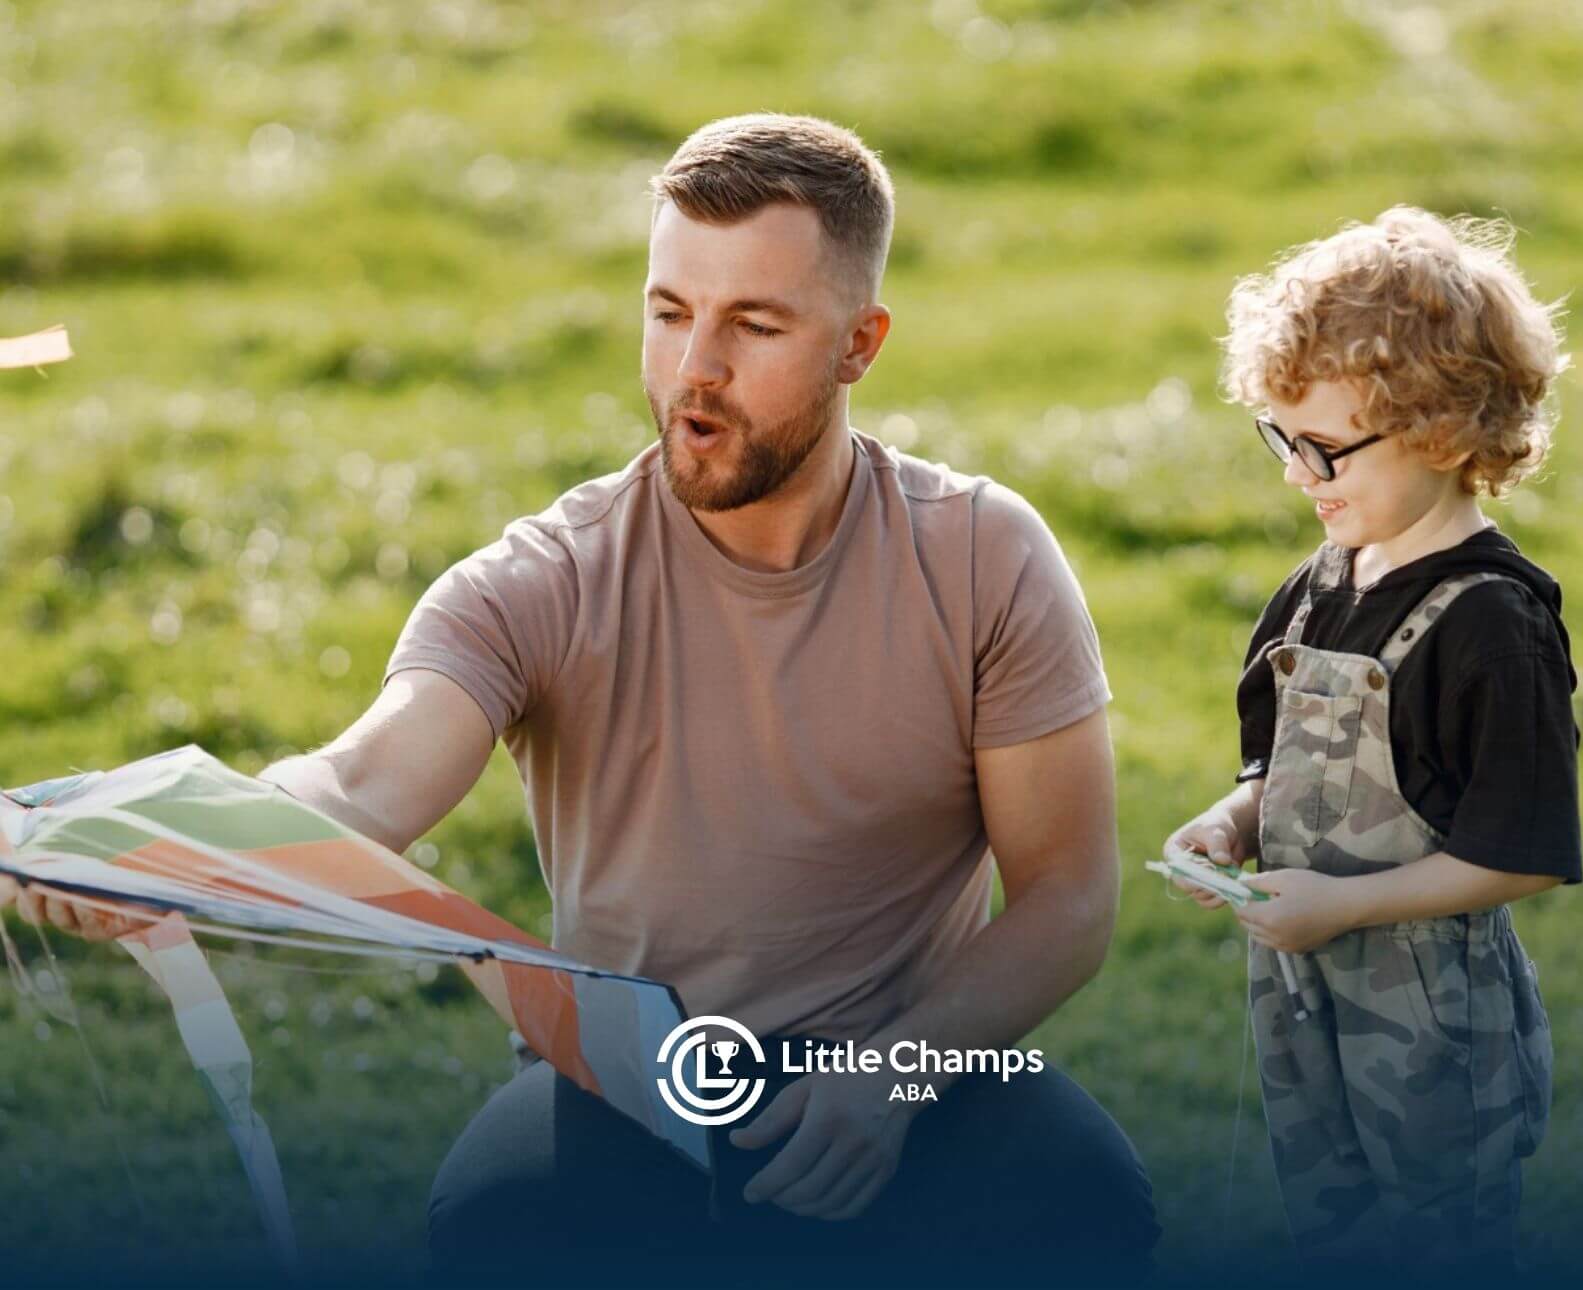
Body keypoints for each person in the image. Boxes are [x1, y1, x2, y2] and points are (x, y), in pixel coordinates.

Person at [3, 114, 1156, 1284]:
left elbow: (1065, 895)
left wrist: (889, 1081)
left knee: (1087, 1209)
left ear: (859, 343)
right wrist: (160, 845)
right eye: (667, 313)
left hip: (913, 1063)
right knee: (502, 1233)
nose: (693, 367)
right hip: (629, 1084)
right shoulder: (545, 578)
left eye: (752, 325)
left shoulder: (982, 556)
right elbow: (361, 782)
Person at [1165, 207, 1581, 1272]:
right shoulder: (1317, 588)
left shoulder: (1491, 624)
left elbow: (1520, 852)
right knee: (1336, 1238)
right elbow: (1281, 767)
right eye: (1281, 439)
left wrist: (1343, 904)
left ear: (1442, 433)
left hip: (1434, 1026)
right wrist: (1228, 821)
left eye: (1325, 448)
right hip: (1307, 994)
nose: (1298, 475)